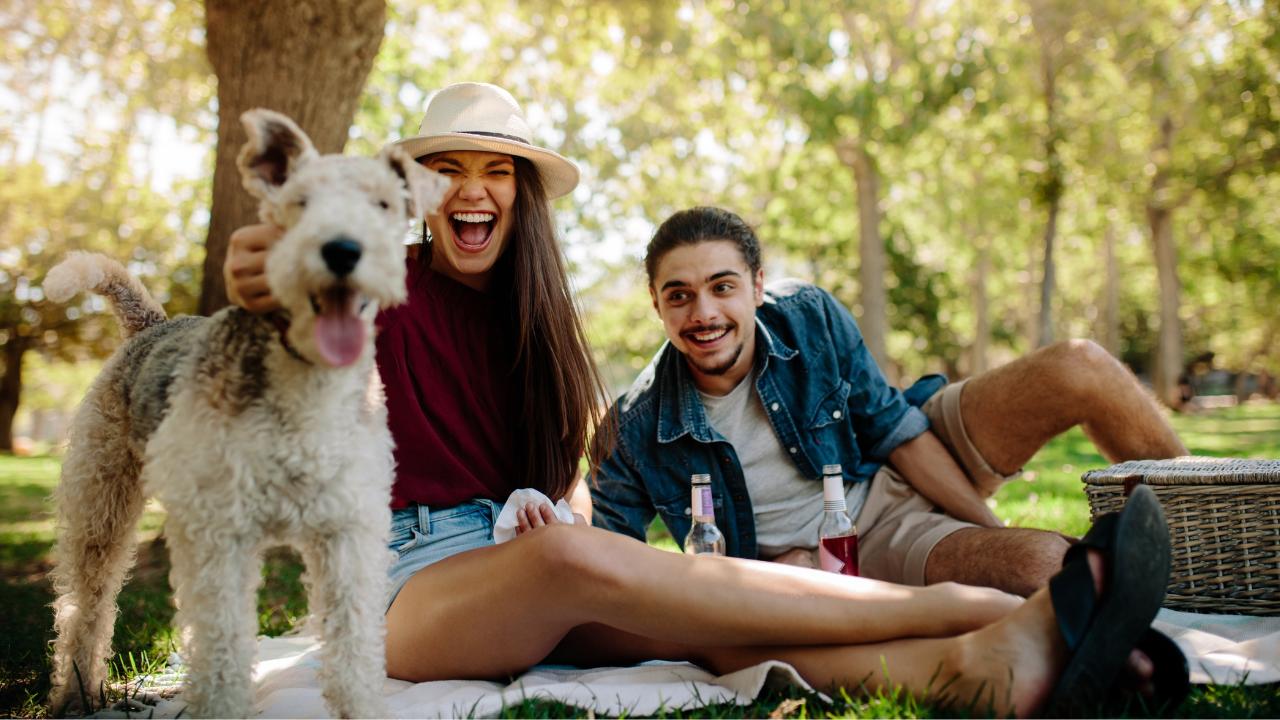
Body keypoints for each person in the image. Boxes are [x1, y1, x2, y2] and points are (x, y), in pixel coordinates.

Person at [223, 82, 1172, 716]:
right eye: (451, 171)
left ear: (521, 194)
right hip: (399, 584)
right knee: (578, 558)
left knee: (711, 631)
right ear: (420, 193)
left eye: (496, 169)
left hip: (507, 554)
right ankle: (974, 605)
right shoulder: (379, 272)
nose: (473, 190)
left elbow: (572, 477)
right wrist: (262, 274)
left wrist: (553, 504)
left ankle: (985, 667)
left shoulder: (540, 324)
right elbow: (290, 299)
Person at [589, 206, 1188, 597]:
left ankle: (1201, 545)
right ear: (655, 303)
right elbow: (615, 568)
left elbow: (892, 427)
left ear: (757, 285)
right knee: (1042, 570)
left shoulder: (808, 315)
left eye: (723, 287)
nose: (704, 314)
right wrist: (767, 579)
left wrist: (983, 524)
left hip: (897, 452)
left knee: (1078, 366)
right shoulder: (635, 429)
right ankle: (1124, 592)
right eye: (680, 295)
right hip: (857, 543)